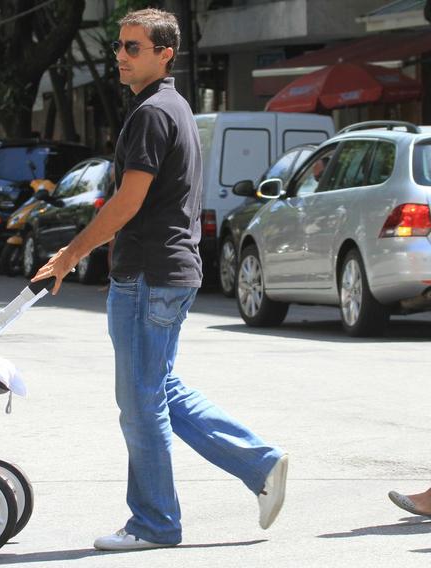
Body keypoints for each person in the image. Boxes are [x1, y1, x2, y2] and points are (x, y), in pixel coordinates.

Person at [32, 8, 288, 551]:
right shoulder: (173, 108)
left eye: (132, 48)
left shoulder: (152, 114)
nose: (120, 56)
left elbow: (129, 201)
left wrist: (70, 254)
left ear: (164, 54)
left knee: (140, 402)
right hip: (165, 272)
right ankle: (260, 463)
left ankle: (154, 524)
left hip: (150, 275)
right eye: (119, 46)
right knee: (160, 388)